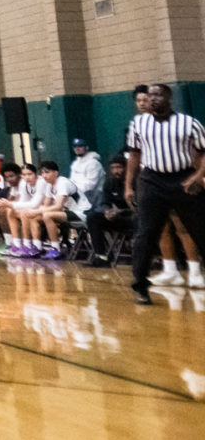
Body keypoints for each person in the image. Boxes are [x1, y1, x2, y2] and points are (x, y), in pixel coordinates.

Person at [126, 82, 205, 303]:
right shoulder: (138, 123)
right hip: (152, 180)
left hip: (183, 179)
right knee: (145, 234)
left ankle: (196, 271)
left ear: (169, 98)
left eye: (158, 95)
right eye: (150, 95)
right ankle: (140, 286)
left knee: (200, 230)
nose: (153, 99)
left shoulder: (189, 123)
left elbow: (203, 152)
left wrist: (198, 176)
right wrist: (128, 186)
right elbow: (134, 155)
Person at [86, 159, 134, 267]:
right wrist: (107, 211)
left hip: (133, 217)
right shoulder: (109, 183)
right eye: (113, 168)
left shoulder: (135, 182)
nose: (116, 171)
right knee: (93, 217)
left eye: (119, 167)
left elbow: (140, 207)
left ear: (126, 168)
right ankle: (101, 257)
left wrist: (121, 211)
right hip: (119, 218)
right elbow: (104, 202)